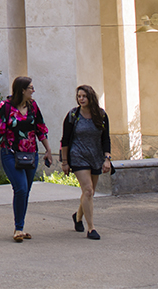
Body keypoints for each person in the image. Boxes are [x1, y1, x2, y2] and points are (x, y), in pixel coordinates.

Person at [0, 75, 53, 242]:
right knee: (21, 188)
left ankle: (20, 226)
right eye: (31, 88)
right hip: (10, 153)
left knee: (25, 191)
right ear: (22, 90)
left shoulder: (33, 106)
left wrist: (48, 150)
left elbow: (40, 129)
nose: (33, 90)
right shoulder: (6, 107)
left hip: (31, 154)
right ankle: (18, 228)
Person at [60, 84, 113, 241]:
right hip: (78, 156)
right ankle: (91, 228)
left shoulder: (101, 115)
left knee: (89, 193)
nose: (81, 99)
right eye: (79, 96)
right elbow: (65, 140)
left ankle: (78, 215)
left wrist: (107, 158)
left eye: (84, 96)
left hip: (95, 156)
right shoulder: (73, 115)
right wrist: (64, 162)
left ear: (91, 97)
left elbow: (106, 138)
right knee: (88, 190)